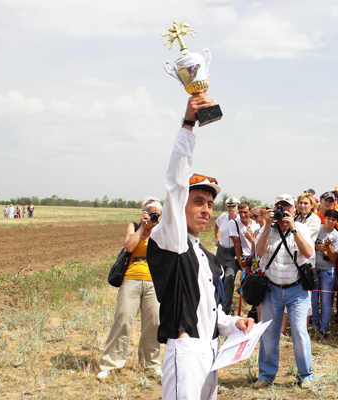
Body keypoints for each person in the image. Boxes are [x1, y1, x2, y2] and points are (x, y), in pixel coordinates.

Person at [146, 93, 254, 400]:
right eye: (197, 202)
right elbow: (176, 183)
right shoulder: (172, 242)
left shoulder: (208, 259)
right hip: (186, 350)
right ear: (180, 208)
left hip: (211, 351)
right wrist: (187, 126)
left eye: (209, 203)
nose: (205, 209)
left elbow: (213, 314)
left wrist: (237, 323)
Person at [97, 197, 163, 380]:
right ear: (143, 212)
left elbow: (165, 250)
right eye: (150, 212)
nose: (153, 216)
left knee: (154, 323)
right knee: (123, 319)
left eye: (156, 214)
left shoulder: (161, 229)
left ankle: (151, 363)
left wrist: (155, 227)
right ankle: (110, 363)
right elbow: (129, 247)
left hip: (153, 281)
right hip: (131, 278)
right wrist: (143, 228)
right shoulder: (134, 227)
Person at [254, 194, 314, 389]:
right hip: (271, 289)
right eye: (279, 208)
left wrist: (294, 229)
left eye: (287, 208)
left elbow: (308, 253)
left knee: (299, 331)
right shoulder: (266, 229)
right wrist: (266, 225)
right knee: (269, 333)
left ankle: (305, 375)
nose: (283, 212)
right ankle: (266, 375)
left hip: (296, 289)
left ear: (294, 211)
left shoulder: (302, 229)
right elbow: (260, 252)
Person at [311, 209, 338, 336]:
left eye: (334, 220)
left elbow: (334, 257)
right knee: (312, 300)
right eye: (328, 218)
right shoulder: (317, 229)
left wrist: (328, 247)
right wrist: (316, 247)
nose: (330, 221)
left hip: (328, 271)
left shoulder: (337, 235)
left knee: (326, 301)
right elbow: (307, 244)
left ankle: (324, 328)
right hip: (314, 268)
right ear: (324, 218)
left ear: (336, 222)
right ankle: (314, 325)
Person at [215, 196, 240, 314]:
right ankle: (218, 304)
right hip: (221, 251)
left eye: (233, 206)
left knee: (229, 278)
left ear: (237, 207)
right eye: (229, 206)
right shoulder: (223, 217)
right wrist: (217, 238)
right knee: (219, 277)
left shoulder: (240, 219)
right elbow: (216, 225)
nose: (231, 208)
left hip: (233, 253)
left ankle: (227, 308)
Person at [229, 201, 260, 273]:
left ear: (250, 212)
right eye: (240, 212)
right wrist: (241, 263)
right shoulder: (234, 223)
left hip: (254, 258)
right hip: (242, 258)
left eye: (245, 212)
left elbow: (258, 246)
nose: (243, 215)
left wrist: (252, 241)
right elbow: (237, 245)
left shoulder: (256, 224)